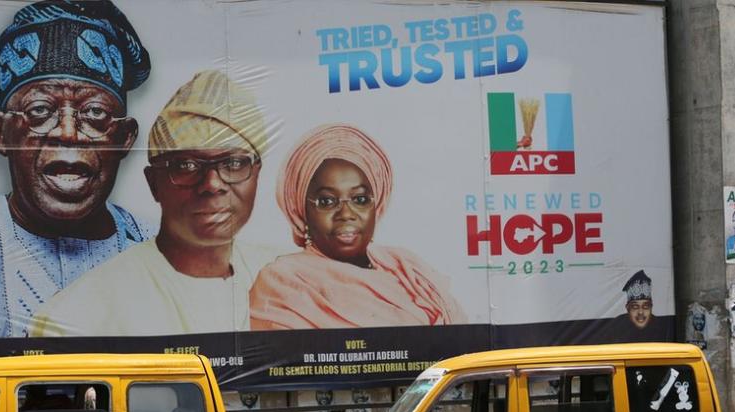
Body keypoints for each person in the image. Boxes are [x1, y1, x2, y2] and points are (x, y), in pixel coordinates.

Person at [0, 0, 153, 338]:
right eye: (40, 110)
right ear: (0, 133)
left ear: (124, 137)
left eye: (94, 114)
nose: (67, 132)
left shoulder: (156, 250)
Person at [31, 70, 277, 337]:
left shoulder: (288, 278)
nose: (212, 184)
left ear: (257, 173)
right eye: (187, 165)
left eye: (233, 163)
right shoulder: (80, 314)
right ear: (153, 182)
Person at [249, 124, 467, 329]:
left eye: (360, 200)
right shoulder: (283, 282)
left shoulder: (406, 267)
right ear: (300, 209)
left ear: (377, 204)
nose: (346, 214)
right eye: (326, 201)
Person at [603, 270, 668, 341]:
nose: (640, 312)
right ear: (627, 308)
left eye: (645, 307)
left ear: (651, 307)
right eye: (635, 307)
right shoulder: (617, 326)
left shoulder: (662, 327)